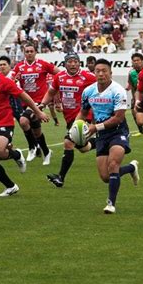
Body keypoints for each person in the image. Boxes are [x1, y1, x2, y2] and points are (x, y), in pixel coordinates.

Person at [0, 50, 49, 197]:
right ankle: (10, 186)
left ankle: (16, 154)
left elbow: (23, 96)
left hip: (3, 123)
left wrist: (38, 112)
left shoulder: (3, 81)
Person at [77, 58, 139, 214]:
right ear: (94, 73)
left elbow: (118, 117)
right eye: (97, 71)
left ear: (110, 73)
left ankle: (111, 203)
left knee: (113, 165)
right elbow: (83, 113)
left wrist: (94, 127)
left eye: (104, 71)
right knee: (106, 176)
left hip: (118, 131)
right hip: (101, 135)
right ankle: (131, 167)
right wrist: (75, 128)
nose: (101, 74)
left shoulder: (118, 91)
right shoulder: (88, 91)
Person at [42, 53, 97, 187]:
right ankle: (102, 141)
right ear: (65, 63)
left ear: (79, 63)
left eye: (75, 61)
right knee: (83, 148)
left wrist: (96, 118)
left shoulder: (88, 77)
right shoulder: (59, 77)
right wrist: (42, 104)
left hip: (84, 116)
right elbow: (50, 92)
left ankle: (60, 177)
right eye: (70, 61)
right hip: (69, 117)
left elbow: (102, 90)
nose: (73, 64)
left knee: (68, 142)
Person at [11, 43, 60, 164]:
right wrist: (14, 80)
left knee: (23, 121)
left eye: (31, 51)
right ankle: (46, 151)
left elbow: (59, 74)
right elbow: (10, 82)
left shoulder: (42, 64)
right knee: (36, 131)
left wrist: (55, 92)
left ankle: (32, 147)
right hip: (25, 101)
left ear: (35, 52)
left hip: (39, 102)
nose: (29, 53)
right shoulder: (19, 67)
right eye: (26, 51)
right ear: (24, 53)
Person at [126, 53, 143, 137]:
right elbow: (131, 85)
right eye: (134, 61)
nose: (136, 62)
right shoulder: (131, 73)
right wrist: (134, 97)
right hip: (138, 96)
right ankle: (141, 131)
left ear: (142, 61)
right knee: (134, 112)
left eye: (138, 60)